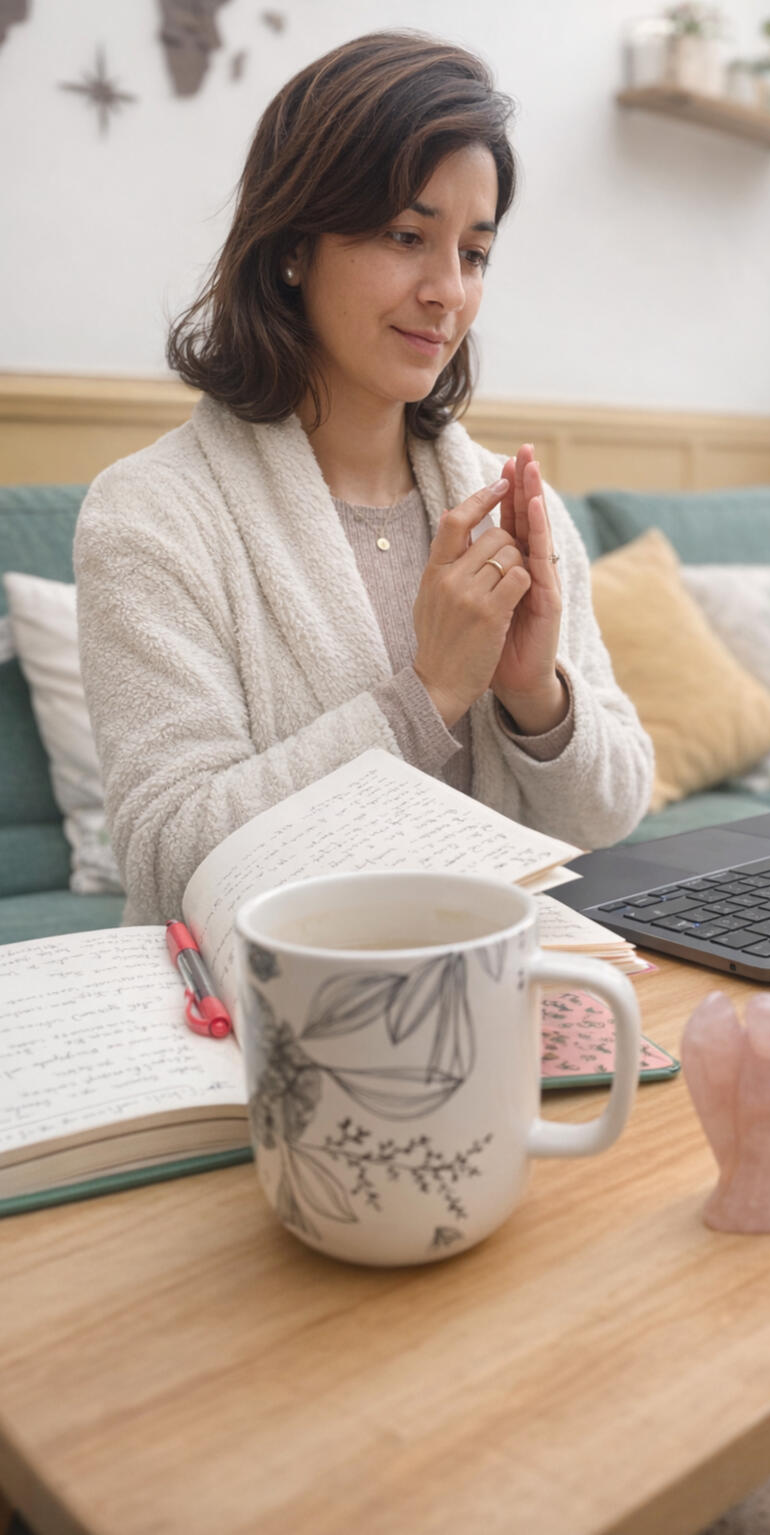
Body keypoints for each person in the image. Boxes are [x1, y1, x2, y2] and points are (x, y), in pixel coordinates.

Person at [74, 31, 653, 926]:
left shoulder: (509, 502)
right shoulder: (151, 515)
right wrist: (424, 698)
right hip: (274, 1023)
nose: (447, 291)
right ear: (293, 245)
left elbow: (610, 811)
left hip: (495, 988)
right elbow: (168, 858)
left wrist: (534, 695)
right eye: (405, 235)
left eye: (473, 252)